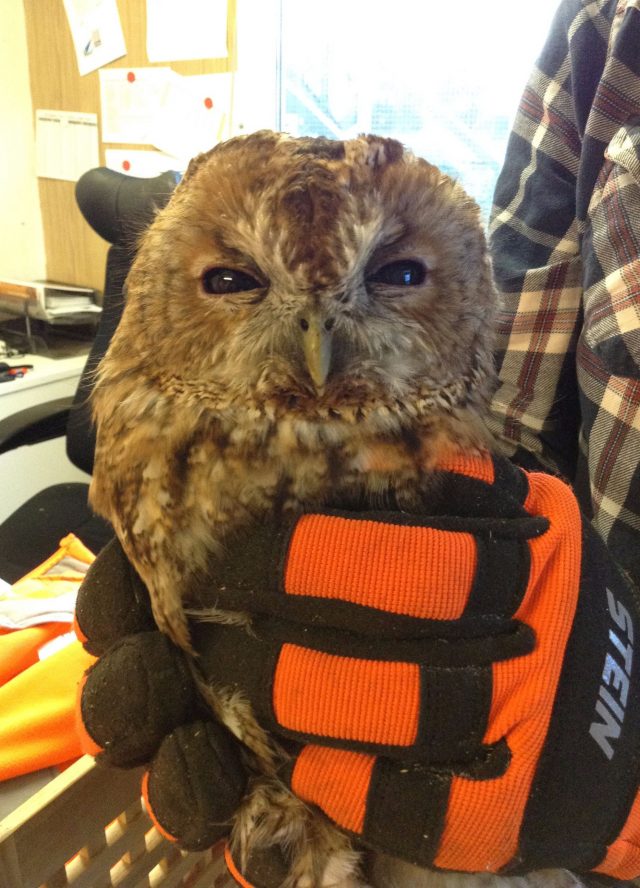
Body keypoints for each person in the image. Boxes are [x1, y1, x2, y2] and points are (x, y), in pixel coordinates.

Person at [75, 1, 640, 885]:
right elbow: (536, 390)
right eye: (230, 282)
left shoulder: (441, 431)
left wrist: (613, 722)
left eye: (400, 276)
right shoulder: (601, 39)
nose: (318, 342)